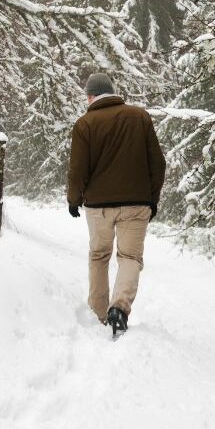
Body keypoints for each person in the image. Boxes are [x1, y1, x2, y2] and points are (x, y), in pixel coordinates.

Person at [66, 72, 166, 336]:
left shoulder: (85, 124)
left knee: (99, 256)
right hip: (136, 203)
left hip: (98, 206)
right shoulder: (140, 117)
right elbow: (158, 163)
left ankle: (99, 313)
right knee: (130, 257)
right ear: (112, 91)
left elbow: (77, 169)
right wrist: (152, 199)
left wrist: (74, 200)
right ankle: (119, 308)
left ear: (90, 96)